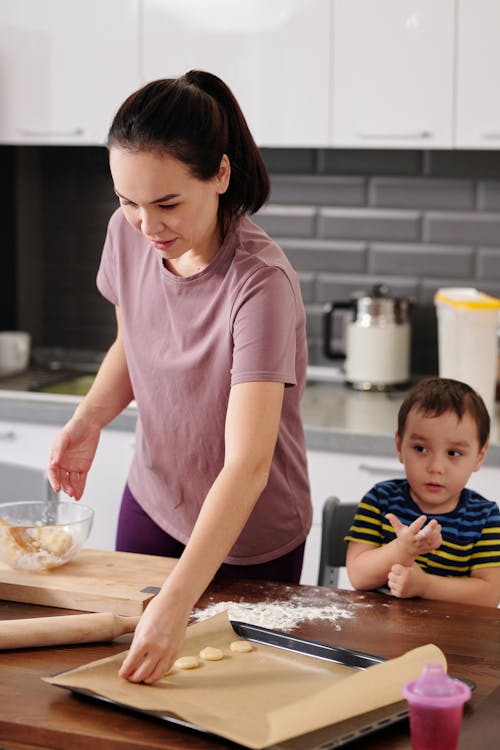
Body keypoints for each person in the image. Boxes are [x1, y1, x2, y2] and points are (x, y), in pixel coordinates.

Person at [47, 70, 312, 683]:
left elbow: (247, 463)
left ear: (220, 174)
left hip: (251, 532)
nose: (147, 226)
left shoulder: (260, 283)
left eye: (167, 204)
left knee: (233, 691)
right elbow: (133, 341)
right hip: (155, 500)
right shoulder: (129, 235)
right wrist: (89, 419)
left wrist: (177, 598)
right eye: (128, 201)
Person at [345, 377, 500, 608]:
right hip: (379, 634)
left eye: (454, 453)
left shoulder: (485, 517)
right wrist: (402, 549)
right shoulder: (380, 500)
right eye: (421, 448)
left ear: (479, 455)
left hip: (451, 637)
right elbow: (358, 575)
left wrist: (425, 585)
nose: (436, 467)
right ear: (399, 446)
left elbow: (489, 594)